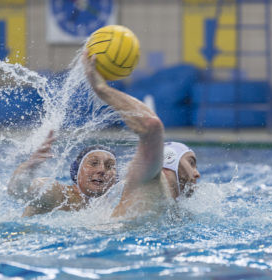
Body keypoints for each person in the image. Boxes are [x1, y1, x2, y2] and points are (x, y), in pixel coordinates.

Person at [82, 51, 200, 218]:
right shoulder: (150, 178)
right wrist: (102, 89)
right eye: (192, 162)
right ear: (169, 159)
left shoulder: (174, 210)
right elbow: (151, 125)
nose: (197, 173)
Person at [7, 130, 118, 217]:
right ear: (76, 171)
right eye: (93, 163)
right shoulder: (59, 195)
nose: (102, 170)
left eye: (109, 166)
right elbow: (18, 191)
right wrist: (29, 168)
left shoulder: (110, 204)